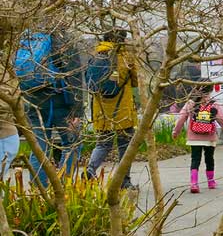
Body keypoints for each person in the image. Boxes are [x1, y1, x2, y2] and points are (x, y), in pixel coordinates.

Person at [15, 29, 81, 185]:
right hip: (59, 101)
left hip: (32, 99)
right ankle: (64, 187)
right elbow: (75, 76)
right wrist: (76, 110)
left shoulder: (27, 37)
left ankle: (39, 191)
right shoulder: (63, 39)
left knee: (39, 148)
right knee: (72, 143)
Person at [87, 30, 138, 188]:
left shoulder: (95, 54)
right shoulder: (125, 57)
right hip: (122, 110)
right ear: (121, 40)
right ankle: (124, 180)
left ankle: (90, 170)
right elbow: (136, 81)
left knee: (103, 144)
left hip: (101, 110)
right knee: (124, 146)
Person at [173, 89, 223, 193]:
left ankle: (194, 183)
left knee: (195, 159)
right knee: (209, 159)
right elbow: (222, 120)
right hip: (209, 137)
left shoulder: (191, 104)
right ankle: (211, 182)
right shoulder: (213, 104)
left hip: (194, 137)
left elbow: (181, 118)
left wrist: (175, 132)